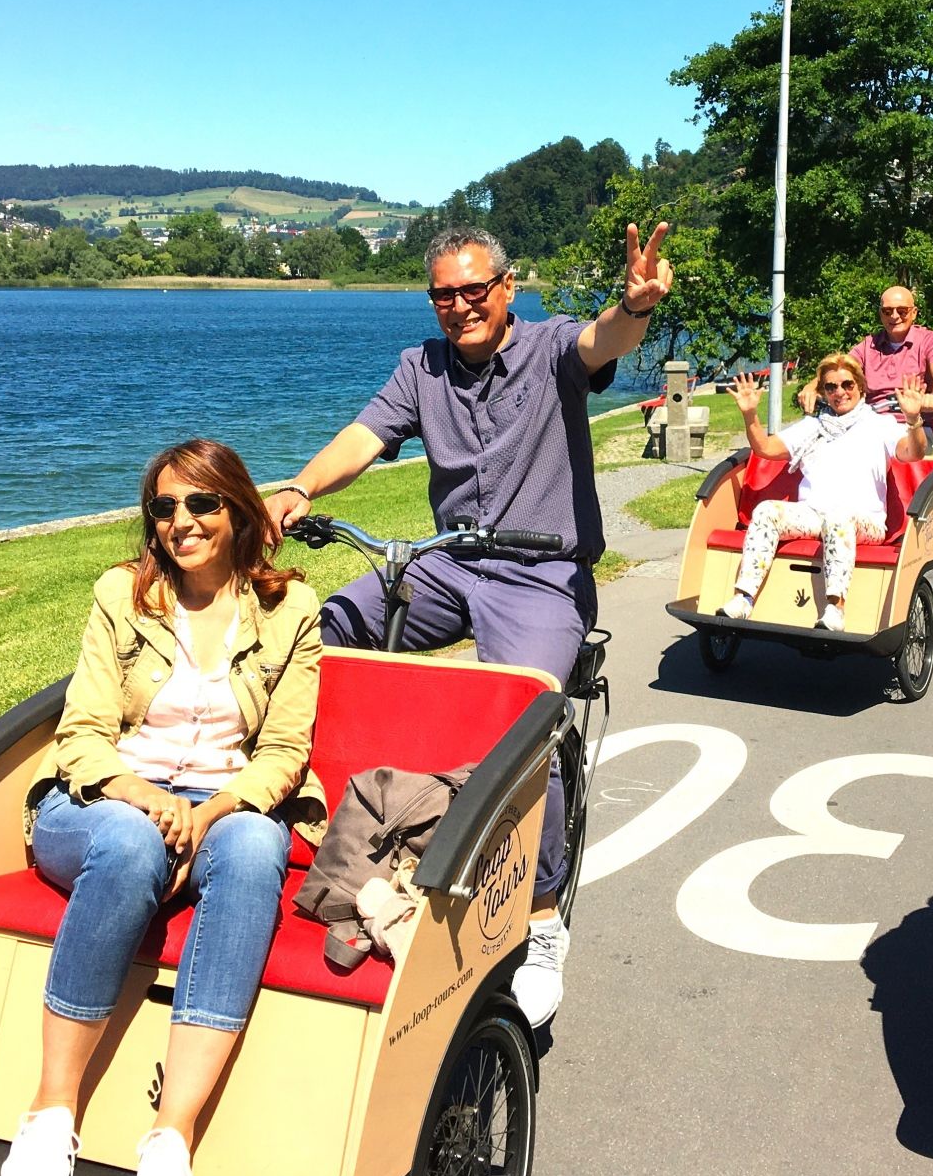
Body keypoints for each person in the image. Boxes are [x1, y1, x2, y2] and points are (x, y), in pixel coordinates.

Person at [264, 222, 673, 1027]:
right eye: (444, 294)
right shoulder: (422, 367)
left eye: (474, 290)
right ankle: (297, 811)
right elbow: (365, 434)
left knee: (528, 721)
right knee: (317, 634)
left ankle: (544, 912)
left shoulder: (552, 346)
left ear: (506, 289)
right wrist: (302, 489)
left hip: (539, 574)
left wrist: (637, 307)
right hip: (447, 564)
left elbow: (602, 340)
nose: (460, 307)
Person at [1, 439, 324, 1176]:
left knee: (251, 853)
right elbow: (81, 734)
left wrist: (209, 813)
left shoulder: (289, 608)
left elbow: (283, 750)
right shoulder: (122, 595)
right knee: (129, 845)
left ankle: (170, 1139)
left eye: (202, 502)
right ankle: (51, 1114)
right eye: (165, 506)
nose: (182, 520)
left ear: (238, 507)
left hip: (219, 803)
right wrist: (145, 800)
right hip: (100, 801)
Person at [719, 353, 933, 632]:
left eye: (847, 385)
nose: (839, 392)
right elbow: (766, 449)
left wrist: (914, 419)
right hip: (814, 515)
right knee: (767, 510)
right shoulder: (814, 427)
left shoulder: (879, 425)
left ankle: (835, 607)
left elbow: (913, 453)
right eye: (831, 387)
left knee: (838, 516)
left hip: (863, 521)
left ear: (860, 387)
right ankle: (744, 599)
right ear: (823, 392)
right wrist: (750, 415)